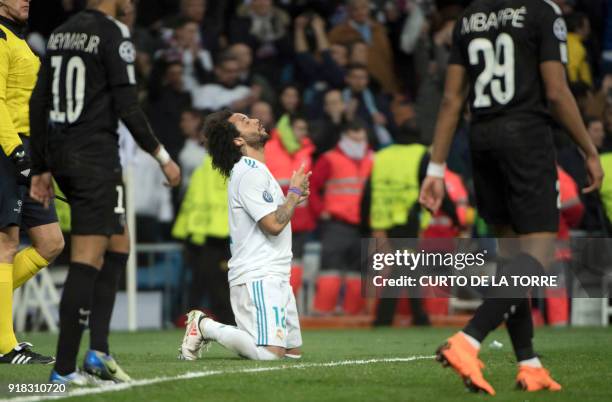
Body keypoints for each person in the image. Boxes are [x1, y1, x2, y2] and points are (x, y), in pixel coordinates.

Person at [419, 0, 603, 395]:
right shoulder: (541, 11)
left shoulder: (469, 17)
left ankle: (529, 363)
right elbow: (555, 91)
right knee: (537, 256)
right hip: (526, 139)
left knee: (510, 261)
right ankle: (467, 341)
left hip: (482, 140)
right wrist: (588, 150)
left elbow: (453, 99)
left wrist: (435, 168)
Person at [28, 0, 181, 384]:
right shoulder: (114, 33)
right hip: (94, 157)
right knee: (87, 258)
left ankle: (98, 352)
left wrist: (43, 166)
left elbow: (38, 101)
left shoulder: (61, 33)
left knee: (119, 245)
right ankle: (63, 371)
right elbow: (128, 106)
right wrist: (162, 156)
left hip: (64, 153)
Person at [179, 109, 307, 361]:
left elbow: (275, 216)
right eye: (245, 121)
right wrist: (292, 193)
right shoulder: (247, 172)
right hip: (258, 275)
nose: (256, 120)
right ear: (238, 140)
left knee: (291, 353)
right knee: (270, 355)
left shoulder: (257, 170)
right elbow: (273, 225)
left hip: (276, 272)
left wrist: (294, 198)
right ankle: (205, 326)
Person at [0, 0, 65, 365]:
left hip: (28, 149)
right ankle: (5, 345)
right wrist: (16, 154)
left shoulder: (17, 39)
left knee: (51, 243)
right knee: (5, 245)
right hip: (7, 148)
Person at [310, 119, 373, 315]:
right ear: (344, 137)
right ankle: (322, 316)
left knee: (358, 274)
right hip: (337, 224)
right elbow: (311, 187)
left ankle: (352, 317)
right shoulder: (330, 158)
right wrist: (321, 211)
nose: (358, 140)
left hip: (364, 225)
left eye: (361, 136)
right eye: (354, 136)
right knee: (330, 271)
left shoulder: (374, 159)